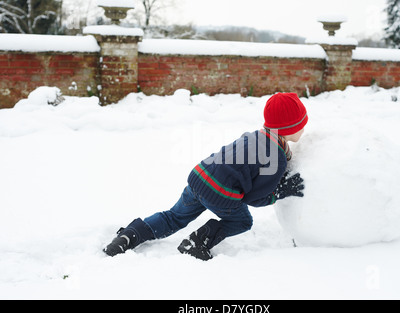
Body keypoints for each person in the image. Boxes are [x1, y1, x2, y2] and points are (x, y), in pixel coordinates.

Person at [103, 92, 308, 260]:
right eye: (301, 123)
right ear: (289, 128)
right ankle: (197, 243)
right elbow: (254, 198)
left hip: (200, 177)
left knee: (174, 217)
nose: (304, 127)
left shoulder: (255, 135)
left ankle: (129, 235)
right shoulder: (276, 158)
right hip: (220, 192)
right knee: (243, 221)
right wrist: (279, 192)